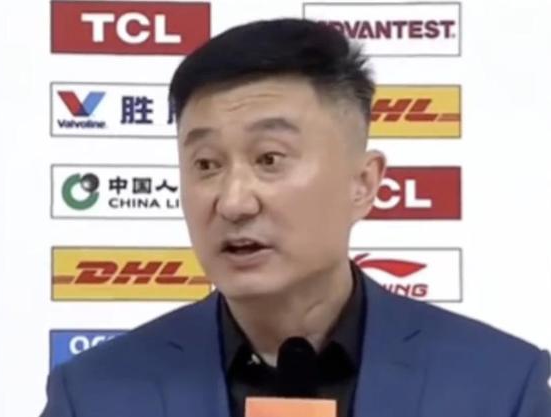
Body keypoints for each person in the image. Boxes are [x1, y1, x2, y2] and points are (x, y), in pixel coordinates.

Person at [40, 18, 551, 417]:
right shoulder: (93, 394)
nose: (234, 202)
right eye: (206, 165)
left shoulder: (501, 385)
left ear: (363, 183)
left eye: (269, 159)